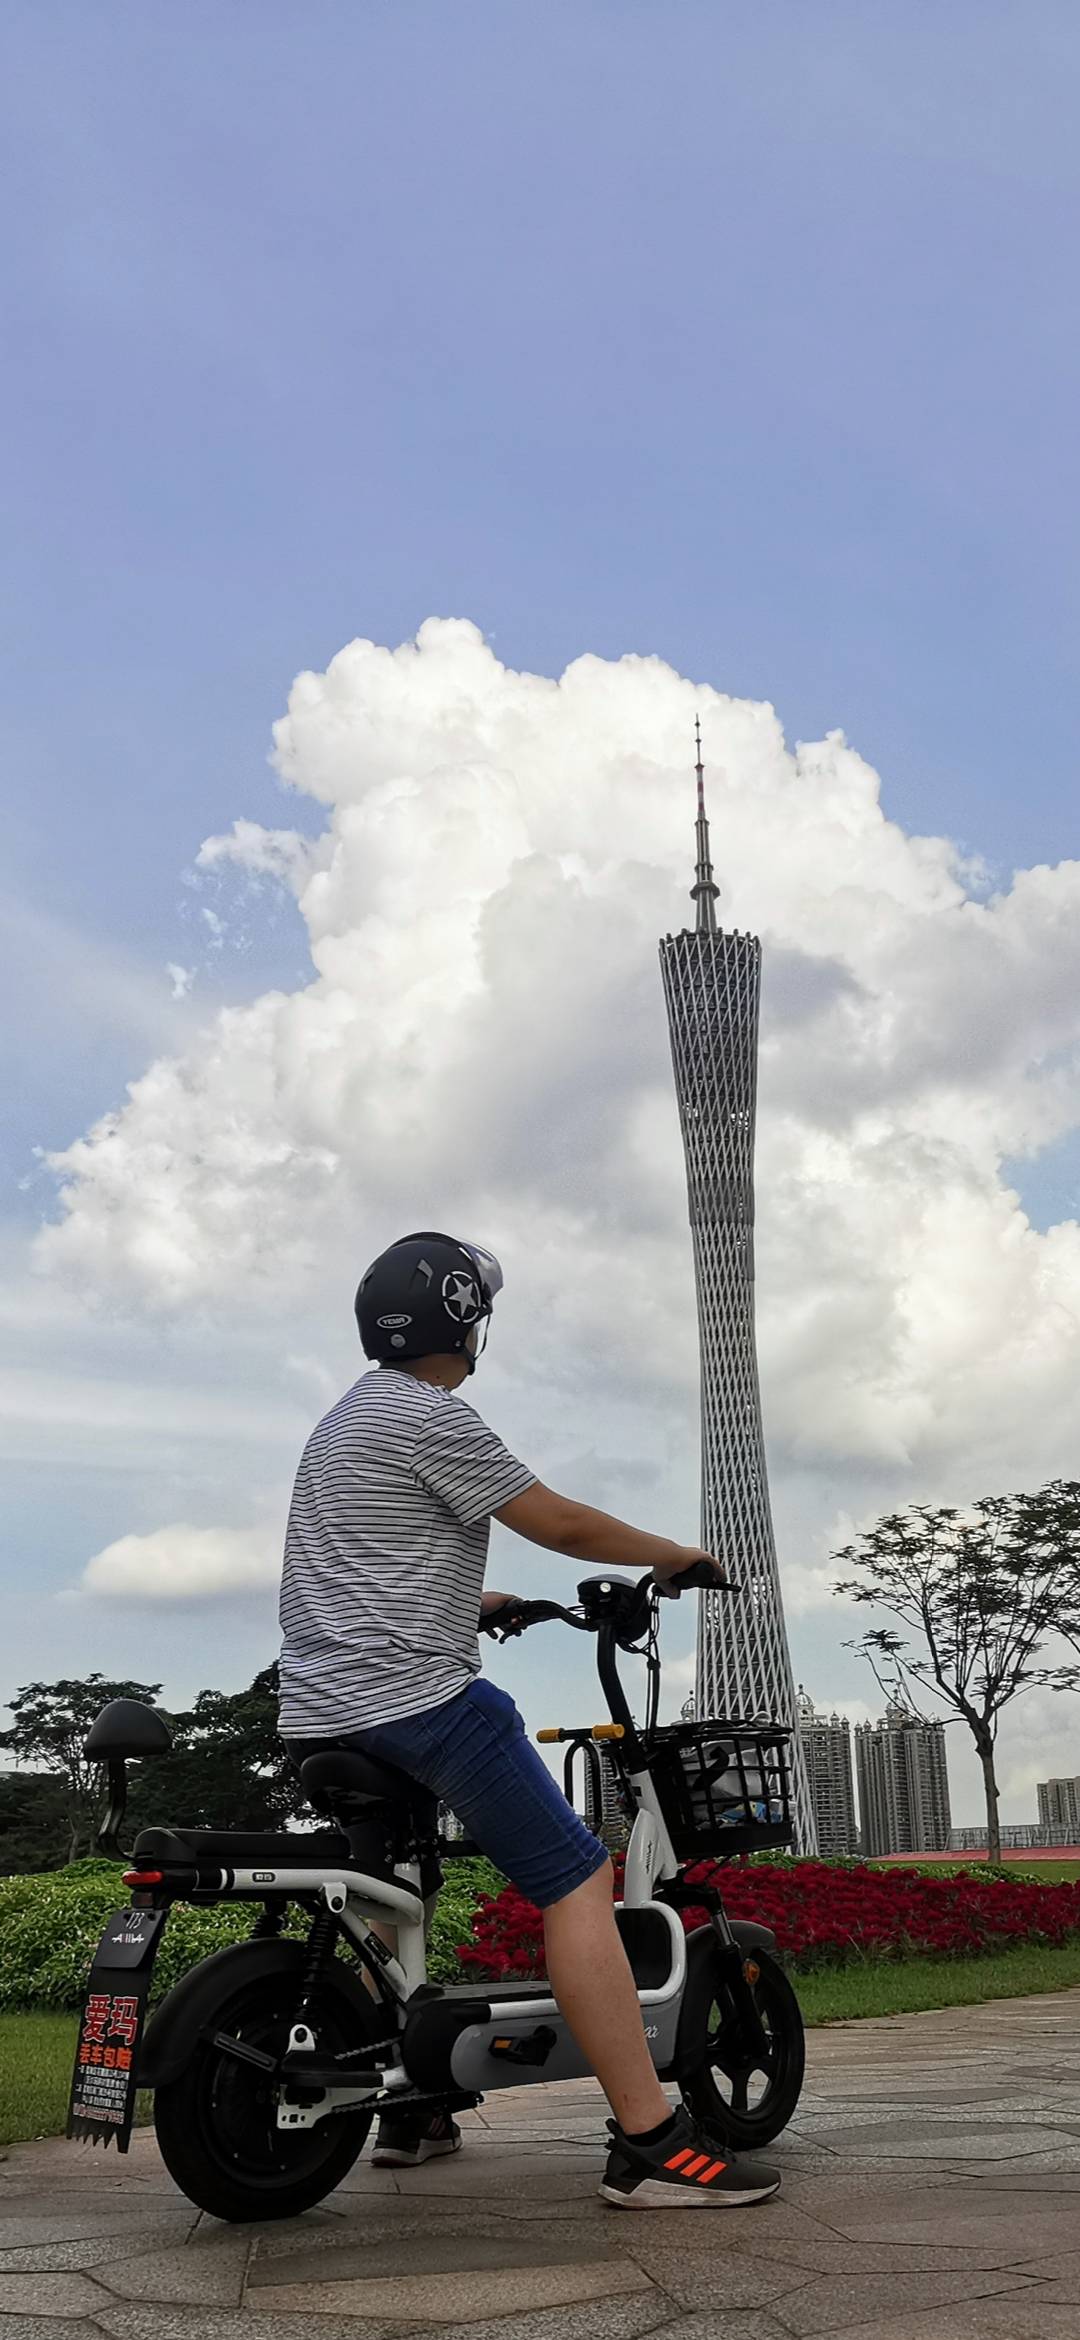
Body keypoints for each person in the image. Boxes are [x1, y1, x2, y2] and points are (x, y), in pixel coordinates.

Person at [279, 1230, 779, 2210]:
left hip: (321, 1711)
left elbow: (357, 1570)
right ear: (466, 1323)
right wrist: (674, 1554)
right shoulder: (433, 1416)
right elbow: (559, 1521)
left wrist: (474, 1602)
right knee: (577, 1878)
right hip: (417, 1701)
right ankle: (650, 2142)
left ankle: (411, 2108)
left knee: (398, 1890)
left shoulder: (340, 1425)